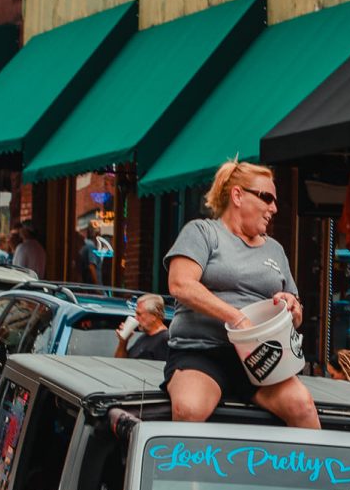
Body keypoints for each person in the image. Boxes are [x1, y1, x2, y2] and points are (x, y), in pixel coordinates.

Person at [163, 159, 319, 429]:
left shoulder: (275, 250)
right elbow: (180, 284)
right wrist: (237, 318)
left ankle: (311, 472)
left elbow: (297, 316)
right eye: (267, 197)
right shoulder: (202, 232)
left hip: (263, 357)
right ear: (237, 195)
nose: (274, 208)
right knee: (189, 409)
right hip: (203, 352)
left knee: (302, 406)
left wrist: (292, 307)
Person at [115, 293, 169, 362]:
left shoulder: (165, 339)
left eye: (139, 314)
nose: (136, 318)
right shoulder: (143, 337)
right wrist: (123, 342)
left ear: (154, 316)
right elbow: (120, 363)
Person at [80, 221, 103, 285]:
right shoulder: (91, 247)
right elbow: (91, 267)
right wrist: (98, 287)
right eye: (99, 234)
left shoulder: (86, 245)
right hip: (93, 289)